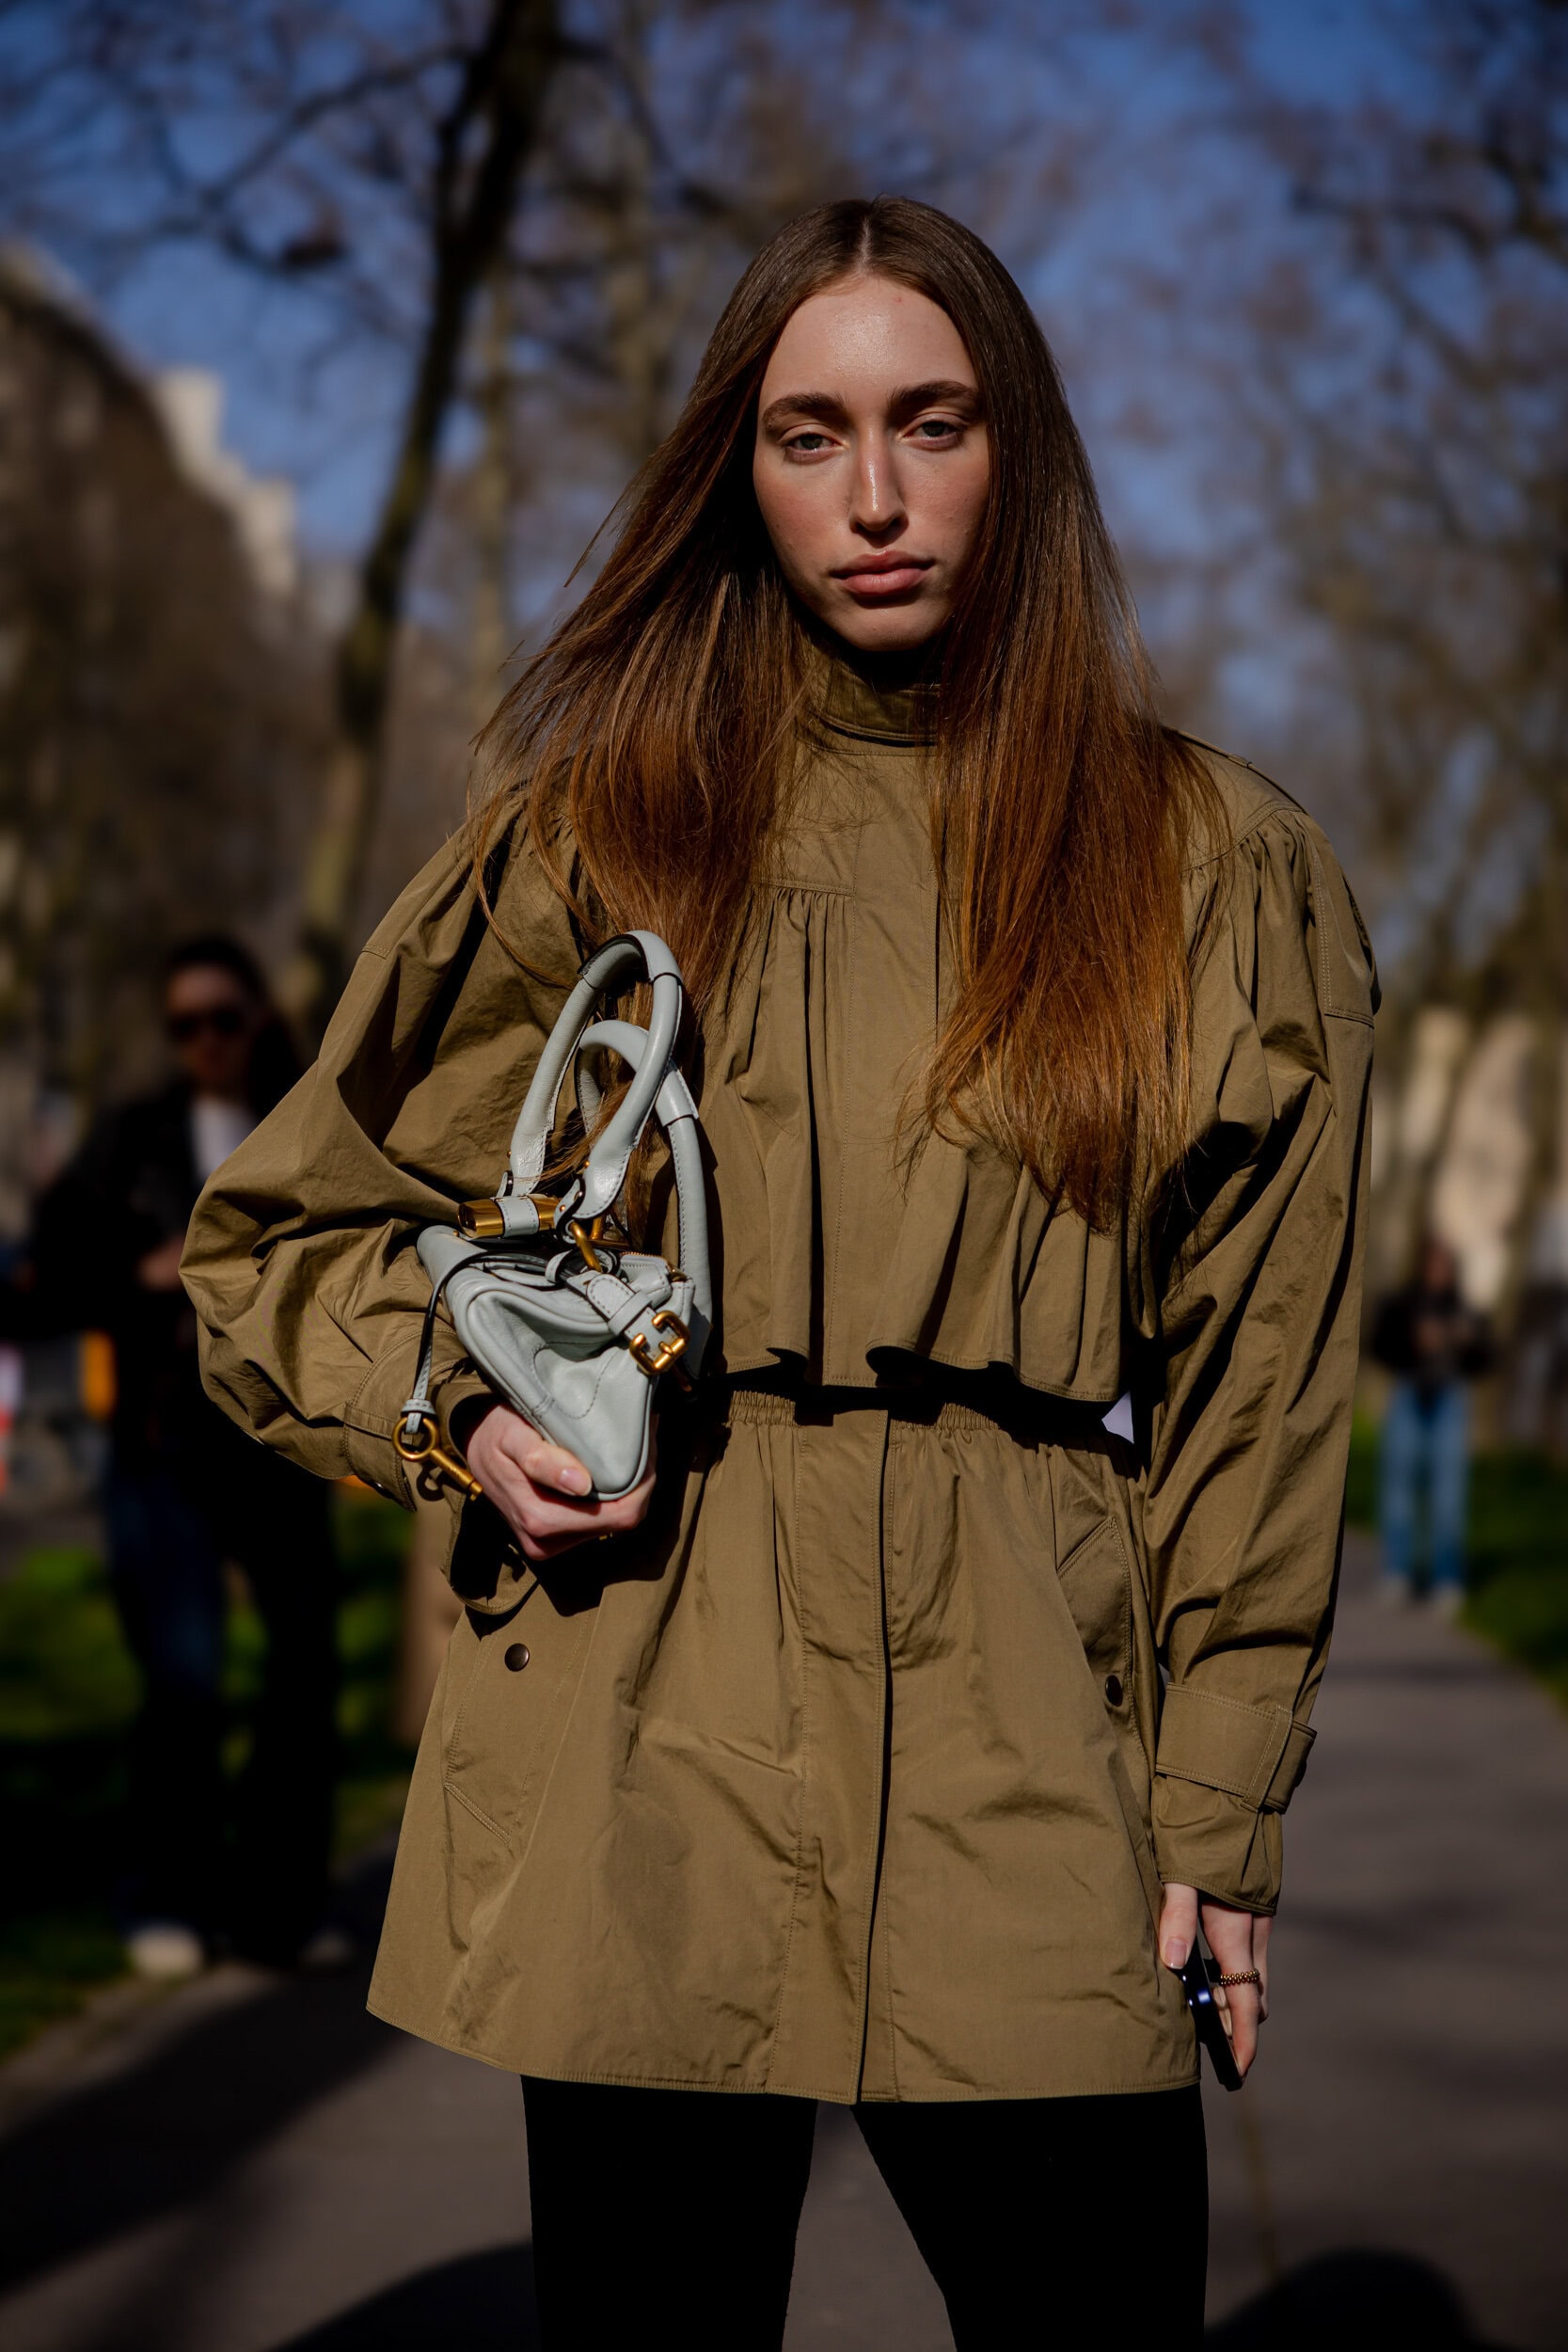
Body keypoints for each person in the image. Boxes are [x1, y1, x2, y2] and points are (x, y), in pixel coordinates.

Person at [183, 199, 1375, 2349]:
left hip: (1031, 1703)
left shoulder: (1214, 867)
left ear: (1022, 453)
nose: (881, 494)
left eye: (934, 422)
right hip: (653, 1686)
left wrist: (1220, 1796)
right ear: (735, 470)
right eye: (809, 434)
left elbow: (1259, 1389)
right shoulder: (601, 829)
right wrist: (458, 1413)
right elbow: (288, 1235)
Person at [22, 938, 341, 1977]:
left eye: (222, 1019)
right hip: (164, 1446)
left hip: (282, 1441)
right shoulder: (132, 1138)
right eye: (183, 1026)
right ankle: (166, 1896)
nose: (204, 1042)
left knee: (303, 1671)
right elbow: (50, 1280)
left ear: (257, 1019)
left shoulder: (308, 1121)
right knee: (186, 1680)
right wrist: (145, 1273)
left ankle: (278, 1907)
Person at [1370, 1235, 1492, 1616]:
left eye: (1446, 1264)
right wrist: (1414, 1342)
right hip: (1408, 1397)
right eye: (1434, 1262)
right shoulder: (1402, 1304)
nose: (1440, 1270)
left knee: (1448, 1494)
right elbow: (1378, 1346)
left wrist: (1467, 1341)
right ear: (1422, 1265)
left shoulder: (1464, 1309)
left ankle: (1447, 1577)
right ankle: (1398, 1572)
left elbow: (1487, 1357)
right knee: (1399, 1490)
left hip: (1450, 1402)